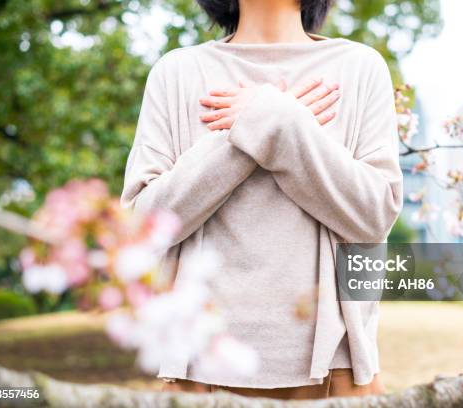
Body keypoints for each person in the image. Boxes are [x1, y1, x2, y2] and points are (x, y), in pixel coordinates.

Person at [120, 0, 403, 400]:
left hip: (335, 371)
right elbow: (142, 228)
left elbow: (374, 215)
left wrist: (278, 121)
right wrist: (266, 123)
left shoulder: (359, 68)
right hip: (198, 369)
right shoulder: (178, 72)